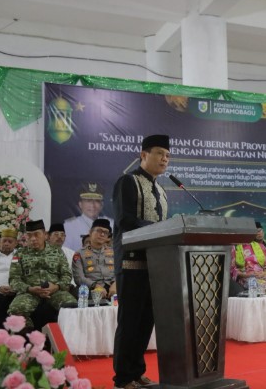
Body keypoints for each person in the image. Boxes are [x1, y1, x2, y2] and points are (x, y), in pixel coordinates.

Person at [112, 134, 170, 389]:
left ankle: (136, 371)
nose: (164, 159)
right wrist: (160, 229)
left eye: (167, 156)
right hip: (131, 262)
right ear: (143, 155)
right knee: (130, 321)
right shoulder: (128, 181)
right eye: (159, 153)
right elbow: (125, 220)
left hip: (155, 265)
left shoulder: (161, 190)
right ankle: (122, 377)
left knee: (146, 321)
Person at [8, 220, 75, 330]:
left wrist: (57, 286)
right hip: (29, 292)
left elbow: (66, 274)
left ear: (45, 235)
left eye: (36, 234)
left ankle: (64, 336)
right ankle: (28, 337)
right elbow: (14, 279)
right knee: (16, 310)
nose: (33, 239)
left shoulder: (57, 251)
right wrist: (29, 289)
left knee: (72, 306)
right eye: (29, 235)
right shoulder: (19, 253)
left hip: (55, 291)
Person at [71, 218, 117, 299]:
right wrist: (95, 286)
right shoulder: (79, 254)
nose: (102, 234)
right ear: (90, 232)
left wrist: (115, 284)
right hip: (91, 288)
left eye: (106, 232)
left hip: (112, 287)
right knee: (82, 293)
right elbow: (79, 278)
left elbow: (119, 272)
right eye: (99, 231)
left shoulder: (114, 252)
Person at [64, 182, 114, 251]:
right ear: (80, 204)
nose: (92, 205)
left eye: (96, 201)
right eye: (88, 201)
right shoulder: (69, 226)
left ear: (101, 205)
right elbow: (66, 252)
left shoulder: (111, 224)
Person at [231, 222, 266, 293]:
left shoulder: (261, 246)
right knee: (255, 284)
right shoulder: (235, 248)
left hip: (261, 275)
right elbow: (232, 269)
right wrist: (247, 275)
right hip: (246, 277)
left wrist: (264, 273)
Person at [0, 228, 18, 329]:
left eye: (10, 241)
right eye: (4, 241)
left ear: (15, 243)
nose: (6, 244)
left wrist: (16, 288)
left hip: (18, 292)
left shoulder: (21, 256)